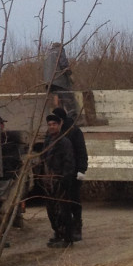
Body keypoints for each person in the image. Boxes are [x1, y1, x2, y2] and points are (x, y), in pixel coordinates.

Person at [38, 107, 77, 247]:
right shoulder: (48, 141)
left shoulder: (64, 142)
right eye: (49, 124)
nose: (51, 126)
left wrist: (65, 179)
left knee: (63, 210)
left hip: (60, 181)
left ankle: (67, 238)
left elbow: (69, 162)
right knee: (52, 211)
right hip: (49, 182)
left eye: (54, 124)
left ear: (59, 125)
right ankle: (58, 234)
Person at [64, 106, 89, 243]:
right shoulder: (55, 133)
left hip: (73, 173)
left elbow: (81, 152)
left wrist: (81, 170)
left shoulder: (73, 131)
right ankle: (66, 229)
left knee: (74, 200)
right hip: (61, 173)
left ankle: (77, 226)